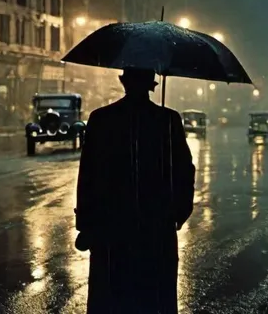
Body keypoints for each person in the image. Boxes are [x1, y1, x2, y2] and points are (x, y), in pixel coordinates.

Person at [74, 68, 196, 314]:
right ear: (152, 84)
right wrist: (178, 213)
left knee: (112, 295)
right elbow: (184, 171)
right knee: (154, 296)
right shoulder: (168, 120)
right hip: (155, 227)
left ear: (123, 82)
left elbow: (88, 175)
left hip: (111, 228)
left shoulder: (101, 119)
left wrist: (86, 223)